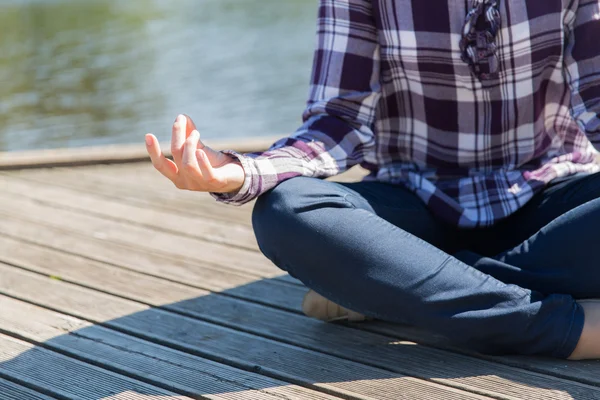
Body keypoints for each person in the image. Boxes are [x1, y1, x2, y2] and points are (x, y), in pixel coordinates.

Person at [145, 0, 600, 360]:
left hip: (548, 196)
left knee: (386, 267)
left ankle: (392, 285)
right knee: (287, 212)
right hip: (413, 206)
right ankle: (561, 329)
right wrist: (241, 171)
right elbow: (337, 120)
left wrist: (381, 272)